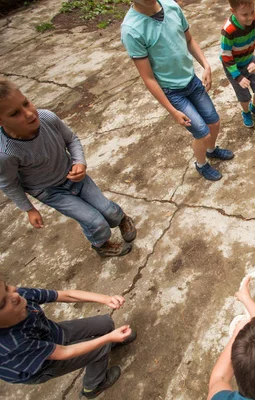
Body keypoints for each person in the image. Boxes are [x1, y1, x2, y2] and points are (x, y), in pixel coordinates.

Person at [0, 78, 136, 258]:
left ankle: (122, 219)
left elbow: (71, 140)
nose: (29, 114)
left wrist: (79, 162)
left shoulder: (47, 118)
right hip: (50, 191)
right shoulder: (6, 153)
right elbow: (9, 184)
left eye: (26, 103)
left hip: (74, 175)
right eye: (15, 113)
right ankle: (101, 244)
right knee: (94, 221)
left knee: (109, 211)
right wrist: (29, 209)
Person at [121, 0, 234, 181]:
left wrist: (205, 65)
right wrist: (172, 111)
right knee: (202, 132)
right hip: (172, 91)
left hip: (191, 80)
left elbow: (188, 39)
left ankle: (212, 151)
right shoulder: (132, 29)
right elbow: (148, 78)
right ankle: (201, 164)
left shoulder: (171, 6)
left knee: (214, 122)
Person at [0, 279, 136, 399]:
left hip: (52, 333)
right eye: (1, 304)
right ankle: (92, 387)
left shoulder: (18, 295)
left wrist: (105, 298)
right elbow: (64, 352)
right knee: (101, 348)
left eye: (6, 287)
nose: (14, 295)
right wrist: (107, 339)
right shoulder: (13, 344)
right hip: (45, 363)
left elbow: (66, 294)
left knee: (105, 323)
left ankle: (111, 341)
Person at [221, 0, 255, 129]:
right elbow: (226, 56)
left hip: (249, 61)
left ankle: (254, 108)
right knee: (244, 97)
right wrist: (238, 76)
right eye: (245, 14)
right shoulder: (228, 30)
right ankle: (246, 112)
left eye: (252, 11)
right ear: (233, 11)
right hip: (233, 66)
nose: (250, 17)